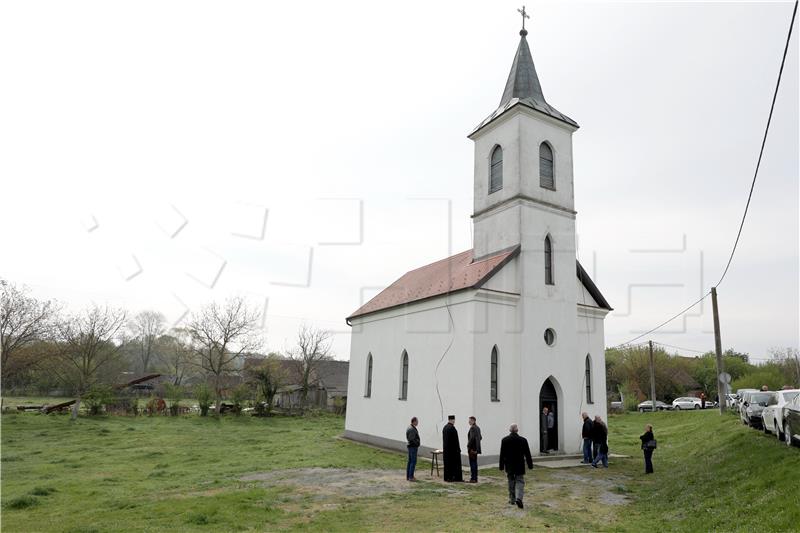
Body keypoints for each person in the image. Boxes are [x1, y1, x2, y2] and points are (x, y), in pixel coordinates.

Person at [499, 423, 533, 509]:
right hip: (519, 465)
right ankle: (519, 498)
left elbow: (502, 454)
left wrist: (501, 466)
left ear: (510, 430)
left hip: (509, 464)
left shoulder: (505, 440)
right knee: (520, 481)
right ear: (517, 430)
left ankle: (512, 499)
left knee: (511, 481)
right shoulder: (523, 440)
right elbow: (527, 454)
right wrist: (530, 465)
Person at [442, 415, 463, 482]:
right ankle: (454, 477)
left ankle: (447, 477)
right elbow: (455, 441)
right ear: (452, 420)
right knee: (454, 465)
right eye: (454, 420)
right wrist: (458, 449)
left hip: (446, 450)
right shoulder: (452, 428)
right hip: (453, 450)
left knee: (447, 464)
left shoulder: (445, 428)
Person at [467, 416, 482, 483]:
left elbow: (472, 438)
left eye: (470, 420)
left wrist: (468, 445)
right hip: (476, 448)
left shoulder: (473, 428)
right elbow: (480, 437)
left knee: (472, 463)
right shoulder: (478, 428)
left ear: (473, 421)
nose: (469, 422)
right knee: (475, 463)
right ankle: (475, 478)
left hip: (472, 449)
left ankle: (473, 478)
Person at [406, 416, 420, 481]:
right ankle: (410, 477)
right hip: (412, 447)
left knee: (410, 461)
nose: (418, 423)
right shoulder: (412, 429)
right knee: (413, 462)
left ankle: (408, 476)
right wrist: (417, 443)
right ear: (414, 421)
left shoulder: (410, 427)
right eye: (417, 421)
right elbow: (411, 439)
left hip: (411, 447)